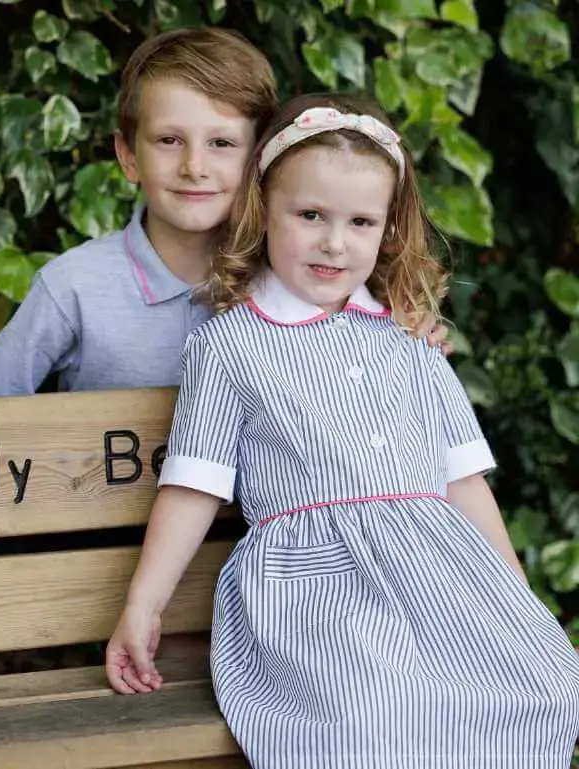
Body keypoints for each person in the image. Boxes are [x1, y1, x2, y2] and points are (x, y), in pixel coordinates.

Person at [105, 92, 579, 768]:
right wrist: (143, 605)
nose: (333, 241)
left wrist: (515, 598)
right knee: (369, 710)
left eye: (360, 221)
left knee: (544, 685)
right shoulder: (232, 345)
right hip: (316, 592)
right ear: (262, 209)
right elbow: (193, 488)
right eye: (309, 216)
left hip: (440, 584)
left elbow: (464, 483)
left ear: (387, 230)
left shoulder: (410, 340)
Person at [0, 29, 448, 399]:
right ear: (129, 156)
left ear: (261, 159)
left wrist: (411, 341)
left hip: (260, 529)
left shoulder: (303, 278)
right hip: (103, 528)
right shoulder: (74, 285)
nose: (194, 167)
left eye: (222, 143)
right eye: (168, 140)